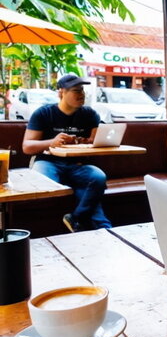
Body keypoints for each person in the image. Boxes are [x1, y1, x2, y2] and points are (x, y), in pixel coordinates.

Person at [22, 74, 112, 232]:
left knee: (98, 177)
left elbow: (95, 141)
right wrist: (52, 142)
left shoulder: (89, 115)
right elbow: (27, 147)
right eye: (76, 90)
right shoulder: (44, 113)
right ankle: (103, 228)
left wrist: (87, 142)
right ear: (61, 93)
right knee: (44, 185)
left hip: (78, 165)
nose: (81, 94)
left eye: (83, 90)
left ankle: (77, 218)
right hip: (47, 162)